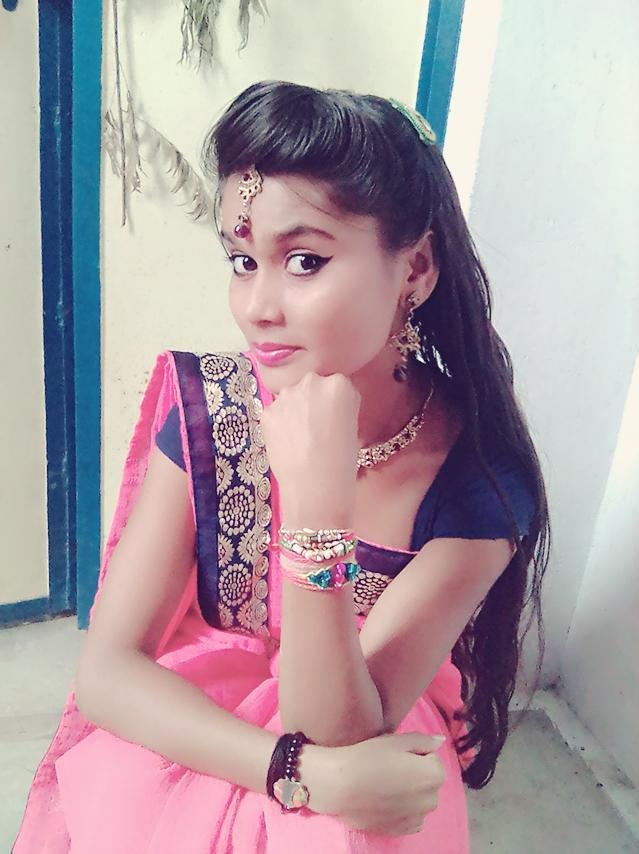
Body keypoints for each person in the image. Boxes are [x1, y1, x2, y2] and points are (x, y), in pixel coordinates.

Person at [13, 80, 550, 853]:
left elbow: (340, 728)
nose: (256, 307)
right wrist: (295, 774)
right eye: (241, 260)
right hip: (202, 727)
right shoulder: (215, 412)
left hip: (360, 723)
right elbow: (106, 675)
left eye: (303, 260)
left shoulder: (476, 477)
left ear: (415, 269)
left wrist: (315, 513)